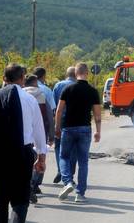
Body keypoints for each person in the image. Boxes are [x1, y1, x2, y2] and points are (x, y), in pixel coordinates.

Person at [0, 64, 47, 223]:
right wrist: (41, 156)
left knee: (0, 201)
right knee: (20, 200)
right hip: (22, 154)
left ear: (3, 78)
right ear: (23, 79)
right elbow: (39, 130)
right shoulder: (30, 100)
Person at [55, 63, 101, 203]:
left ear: (76, 74)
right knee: (83, 162)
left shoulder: (68, 89)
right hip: (85, 129)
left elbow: (59, 111)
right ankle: (80, 194)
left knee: (64, 156)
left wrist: (57, 127)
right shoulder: (93, 91)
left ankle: (68, 182)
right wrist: (98, 131)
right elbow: (98, 115)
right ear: (87, 73)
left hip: (68, 128)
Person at [23, 75, 50, 204]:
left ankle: (28, 188)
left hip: (24, 136)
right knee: (38, 161)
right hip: (39, 133)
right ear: (35, 83)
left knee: (26, 164)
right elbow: (48, 117)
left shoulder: (20, 96)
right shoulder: (42, 95)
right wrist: (50, 134)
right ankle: (33, 186)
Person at [52, 66, 76, 184]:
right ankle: (69, 174)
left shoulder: (58, 85)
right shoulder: (79, 86)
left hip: (60, 119)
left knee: (58, 147)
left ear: (66, 75)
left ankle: (60, 170)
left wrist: (55, 124)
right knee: (73, 148)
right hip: (75, 121)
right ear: (76, 75)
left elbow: (54, 105)